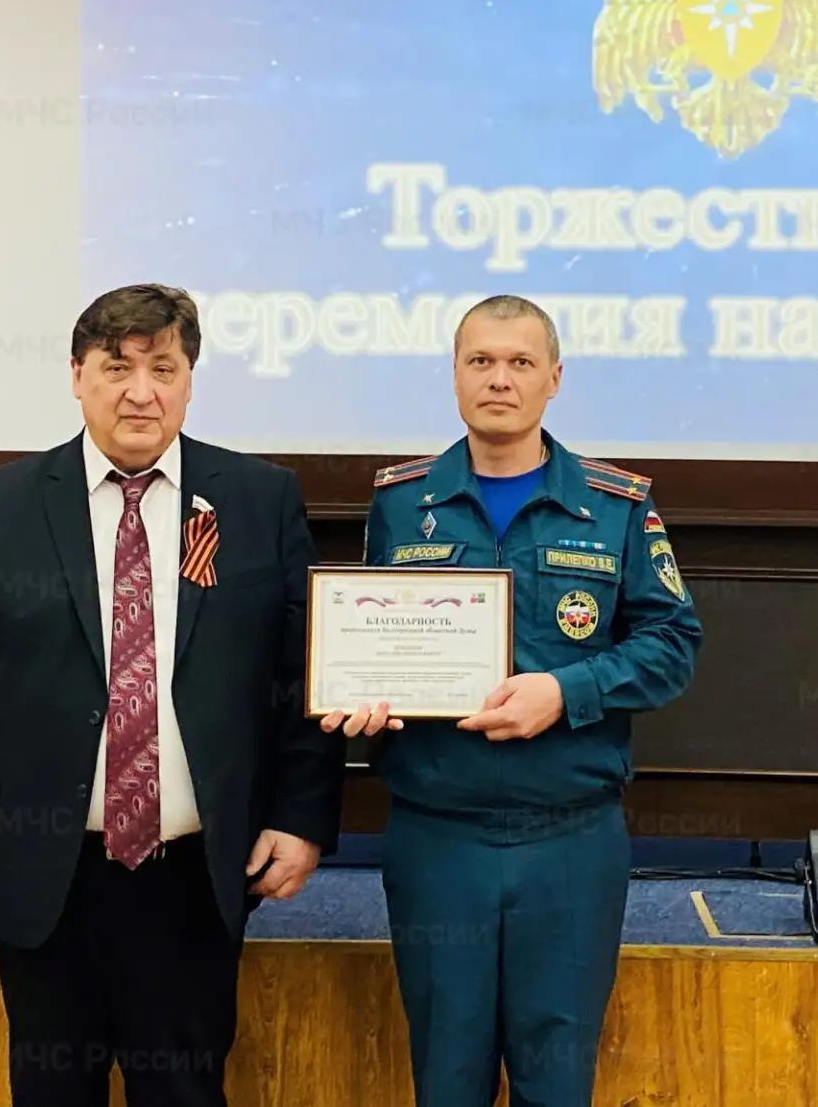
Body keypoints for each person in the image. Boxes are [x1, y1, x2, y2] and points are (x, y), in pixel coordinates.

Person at [0, 283, 345, 1107]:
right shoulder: (2, 505)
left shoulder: (257, 500)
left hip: (193, 876)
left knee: (184, 1092)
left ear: (189, 381)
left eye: (163, 368)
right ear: (77, 376)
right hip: (47, 870)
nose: (141, 392)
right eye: (117, 368)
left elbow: (299, 675)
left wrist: (301, 817)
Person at [322, 294, 703, 1107]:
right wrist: (363, 694)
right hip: (438, 836)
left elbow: (674, 644)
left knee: (556, 1081)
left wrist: (566, 691)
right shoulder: (402, 502)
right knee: (446, 1079)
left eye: (521, 363)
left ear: (554, 379)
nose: (500, 379)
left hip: (567, 841)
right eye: (482, 361)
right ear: (455, 375)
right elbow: (370, 639)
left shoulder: (615, 506)